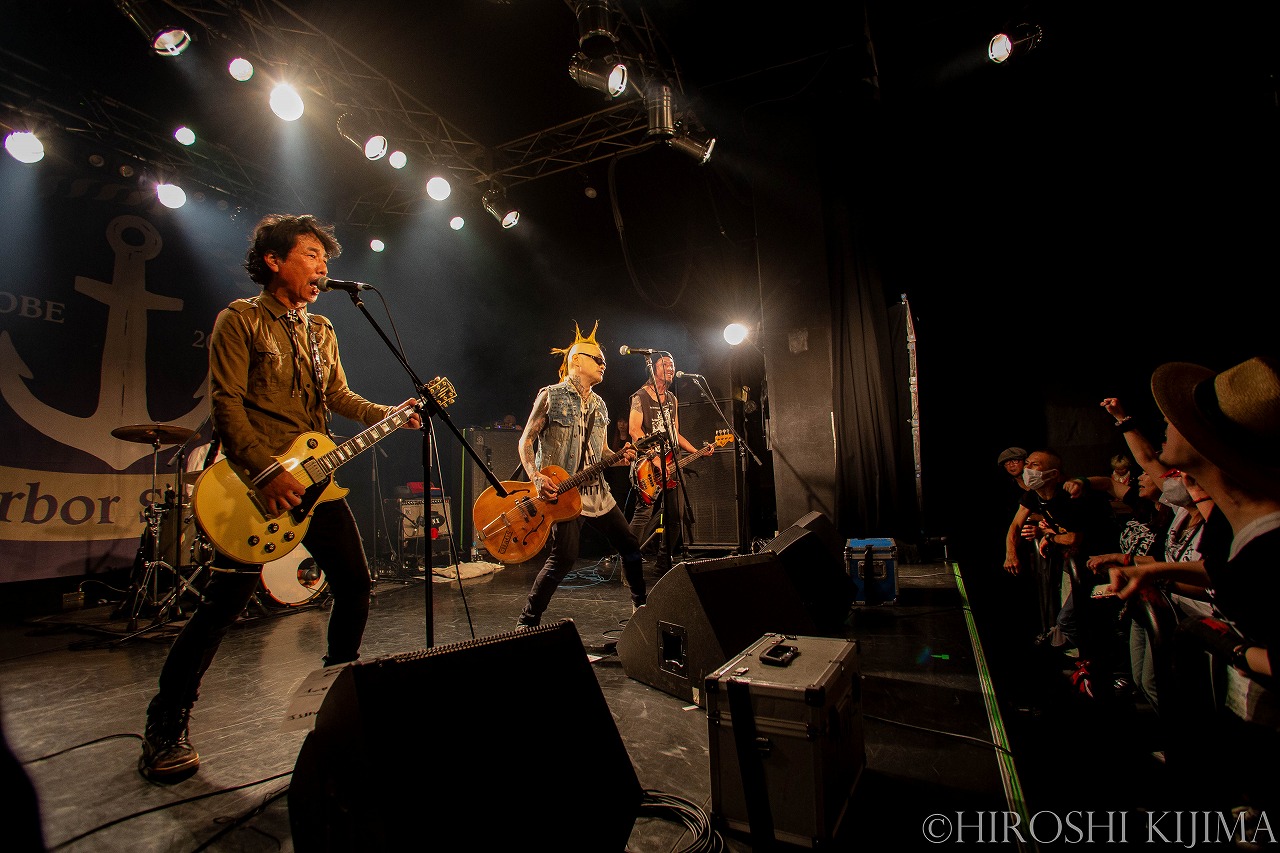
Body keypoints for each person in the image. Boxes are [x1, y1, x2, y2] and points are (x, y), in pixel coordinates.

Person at [139, 214, 421, 783]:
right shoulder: (240, 320)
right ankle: (166, 722)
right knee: (223, 604)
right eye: (312, 254)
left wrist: (389, 414)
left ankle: (334, 701)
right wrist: (266, 472)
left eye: (326, 259)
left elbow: (338, 395)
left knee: (355, 586)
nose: (323, 267)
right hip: (255, 480)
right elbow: (226, 404)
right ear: (274, 260)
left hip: (316, 478)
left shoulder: (322, 330)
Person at [1107, 355, 1280, 810]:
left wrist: (1234, 649)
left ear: (1208, 441)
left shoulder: (1272, 546)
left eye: (1176, 420)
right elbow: (1229, 574)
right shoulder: (1229, 523)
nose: (1166, 425)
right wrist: (1155, 569)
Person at [514, 322, 646, 629]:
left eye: (604, 361)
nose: (603, 364)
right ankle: (527, 622)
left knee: (629, 544)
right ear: (576, 360)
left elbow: (601, 451)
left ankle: (642, 608)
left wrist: (620, 456)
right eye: (597, 359)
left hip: (597, 491)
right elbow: (526, 441)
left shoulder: (600, 404)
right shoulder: (551, 396)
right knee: (564, 557)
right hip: (565, 492)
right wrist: (536, 477)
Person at [628, 354, 701, 574]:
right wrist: (655, 457)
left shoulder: (671, 399)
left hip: (671, 463)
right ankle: (628, 562)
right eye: (665, 364)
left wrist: (696, 451)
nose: (670, 368)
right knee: (643, 515)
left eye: (672, 364)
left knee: (676, 517)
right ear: (652, 369)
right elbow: (634, 431)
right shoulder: (640, 396)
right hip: (649, 464)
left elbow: (674, 433)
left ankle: (663, 563)